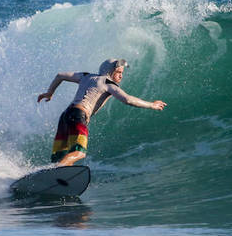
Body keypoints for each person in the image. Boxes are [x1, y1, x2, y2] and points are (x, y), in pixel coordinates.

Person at [37, 59, 166, 166]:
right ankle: (57, 171)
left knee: (63, 154)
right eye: (118, 72)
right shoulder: (108, 84)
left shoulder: (86, 76)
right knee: (79, 152)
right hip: (79, 116)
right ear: (110, 71)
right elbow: (127, 99)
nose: (121, 75)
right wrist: (151, 105)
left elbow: (60, 75)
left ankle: (54, 174)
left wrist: (50, 92)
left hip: (66, 115)